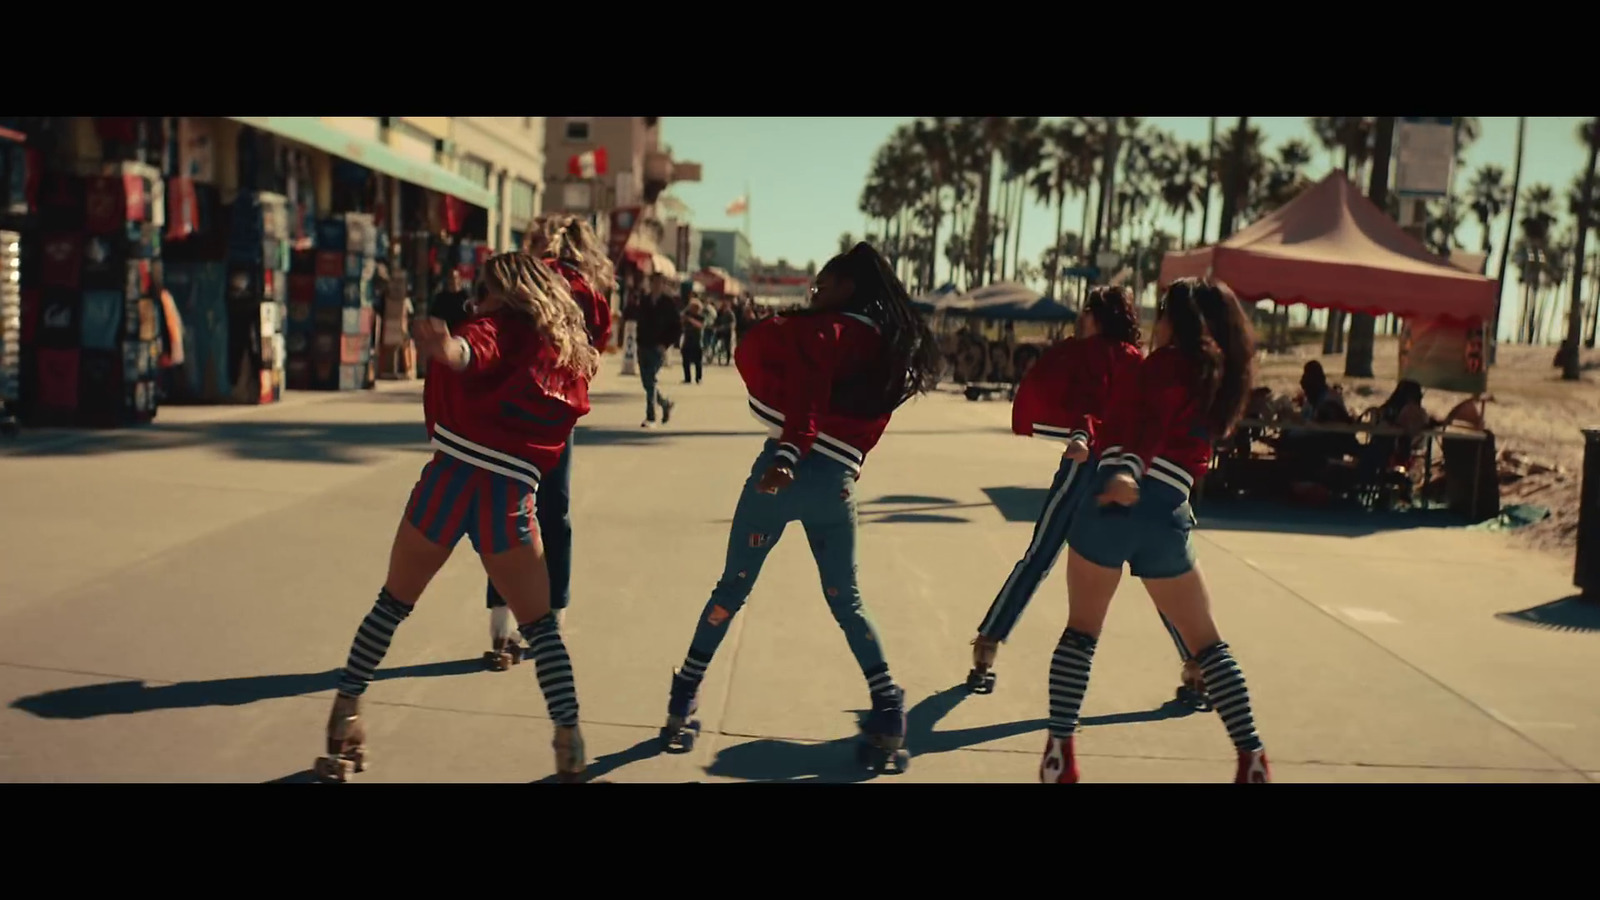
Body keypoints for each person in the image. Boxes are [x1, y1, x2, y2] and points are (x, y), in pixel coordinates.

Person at [312, 253, 598, 784]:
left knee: (391, 605)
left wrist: (450, 348)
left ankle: (343, 718)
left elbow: (476, 350)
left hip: (446, 485)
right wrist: (455, 348)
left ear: (507, 292)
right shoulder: (557, 350)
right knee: (541, 630)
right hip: (506, 496)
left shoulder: (491, 328)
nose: (473, 299)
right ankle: (569, 743)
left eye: (482, 289)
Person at [658, 242, 942, 774]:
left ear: (847, 287)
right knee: (847, 601)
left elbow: (806, 397)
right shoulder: (890, 345)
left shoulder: (825, 331)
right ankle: (887, 712)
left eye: (823, 284)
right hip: (836, 485)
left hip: (781, 478)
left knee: (732, 589)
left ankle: (682, 700)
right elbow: (862, 424)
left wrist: (789, 453)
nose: (814, 291)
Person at [1040, 276, 1269, 784]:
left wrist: (1128, 470)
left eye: (1162, 311)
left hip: (1116, 500)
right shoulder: (1220, 381)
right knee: (1208, 646)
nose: (1156, 320)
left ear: (1178, 321)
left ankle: (1059, 752)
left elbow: (1148, 426)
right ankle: (1251, 756)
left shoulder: (1164, 365)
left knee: (1081, 633)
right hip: (1167, 515)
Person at [966, 286, 1147, 694]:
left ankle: (987, 646)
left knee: (1038, 558)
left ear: (1098, 316)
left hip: (1080, 469)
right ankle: (1195, 664)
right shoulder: (1137, 362)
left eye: (1087, 311)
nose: (1081, 317)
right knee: (1155, 566)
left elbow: (1055, 392)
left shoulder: (1080, 353)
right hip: (1122, 471)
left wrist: (1081, 432)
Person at [477, 216, 614, 671]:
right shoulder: (589, 291)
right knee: (555, 511)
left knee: (505, 509)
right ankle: (550, 618)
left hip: (511, 405)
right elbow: (599, 345)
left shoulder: (528, 277)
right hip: (557, 410)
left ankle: (500, 626)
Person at [636, 274, 680, 427]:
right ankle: (665, 403)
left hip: (658, 348)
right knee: (647, 382)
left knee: (651, 380)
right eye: (653, 282)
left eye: (659, 283)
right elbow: (638, 321)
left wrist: (665, 344)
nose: (656, 286)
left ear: (663, 285)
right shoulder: (645, 301)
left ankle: (651, 417)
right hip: (643, 345)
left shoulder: (668, 304)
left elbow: (676, 327)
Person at [681, 298, 706, 384]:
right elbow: (681, 321)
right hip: (687, 340)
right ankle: (687, 378)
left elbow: (700, 326)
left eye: (694, 308)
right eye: (691, 307)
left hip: (697, 341)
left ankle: (698, 378)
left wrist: (690, 320)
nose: (692, 309)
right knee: (685, 361)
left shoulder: (701, 317)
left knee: (698, 362)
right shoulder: (687, 315)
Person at [713, 300, 735, 365]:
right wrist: (715, 326)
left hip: (727, 332)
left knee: (727, 346)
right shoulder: (720, 312)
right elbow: (716, 320)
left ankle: (727, 360)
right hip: (719, 331)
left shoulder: (730, 314)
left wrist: (726, 327)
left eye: (725, 307)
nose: (724, 308)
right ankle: (713, 354)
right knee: (715, 342)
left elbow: (732, 323)